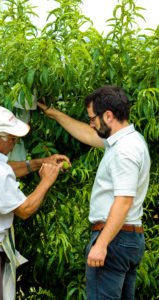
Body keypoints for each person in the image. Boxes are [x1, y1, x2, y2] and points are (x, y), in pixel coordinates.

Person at [38, 85, 150, 300]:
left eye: (92, 118)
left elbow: (123, 201)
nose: (91, 123)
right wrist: (52, 112)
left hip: (114, 238)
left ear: (108, 116)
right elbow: (90, 136)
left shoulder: (124, 151)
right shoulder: (128, 141)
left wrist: (101, 244)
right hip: (127, 238)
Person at [0, 106, 70, 300]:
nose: (14, 143)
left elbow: (4, 168)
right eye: (12, 138)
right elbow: (25, 209)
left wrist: (40, 162)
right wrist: (46, 180)